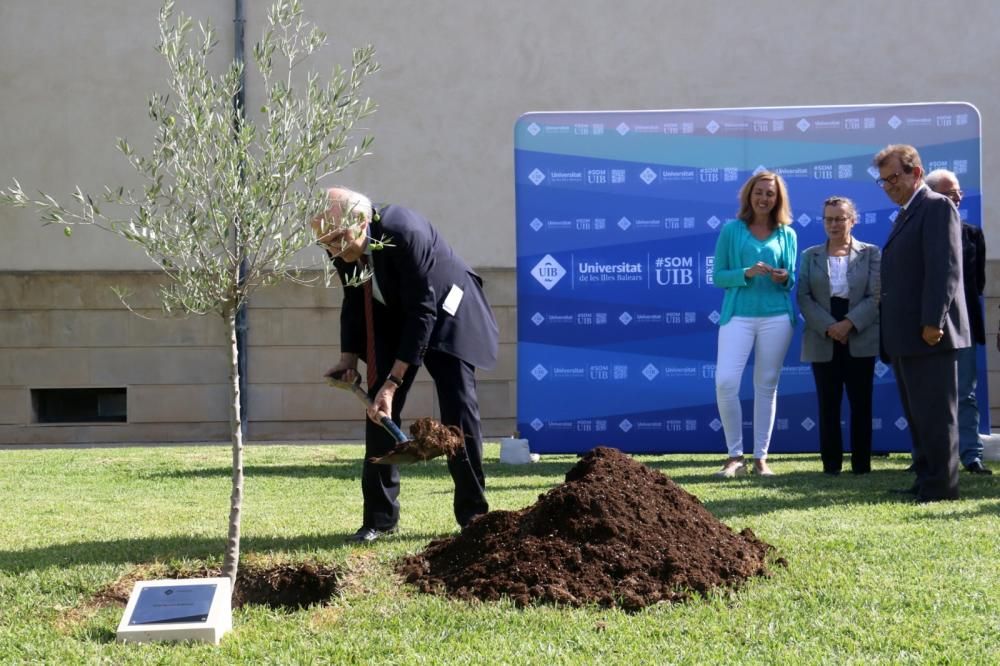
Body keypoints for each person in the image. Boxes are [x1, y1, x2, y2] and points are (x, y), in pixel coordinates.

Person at [312, 187, 500, 542]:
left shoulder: (403, 232)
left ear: (362, 222)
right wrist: (348, 357)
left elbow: (423, 312)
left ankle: (473, 517)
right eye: (326, 242)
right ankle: (378, 521)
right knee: (379, 415)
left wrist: (393, 382)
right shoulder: (340, 242)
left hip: (448, 311)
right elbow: (353, 296)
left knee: (458, 410)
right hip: (397, 314)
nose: (334, 249)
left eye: (338, 239)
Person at [875, 145, 970, 502]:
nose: (888, 186)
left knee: (936, 416)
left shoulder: (936, 205)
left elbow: (944, 267)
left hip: (930, 334)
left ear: (916, 173)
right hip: (904, 335)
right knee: (919, 416)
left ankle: (942, 487)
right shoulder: (906, 213)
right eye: (883, 181)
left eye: (894, 177)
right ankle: (926, 478)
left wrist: (934, 320)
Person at [712, 171, 797, 477]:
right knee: (725, 382)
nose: (764, 198)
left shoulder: (788, 234)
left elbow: (792, 279)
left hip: (777, 317)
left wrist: (785, 277)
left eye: (770, 194)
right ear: (749, 195)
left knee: (766, 386)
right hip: (738, 317)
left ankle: (761, 457)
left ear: (778, 199)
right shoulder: (731, 230)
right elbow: (718, 276)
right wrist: (745, 273)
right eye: (759, 192)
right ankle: (735, 455)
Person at [797, 196, 880, 475]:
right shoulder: (810, 255)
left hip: (860, 331)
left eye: (839, 218)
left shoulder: (871, 253)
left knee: (861, 403)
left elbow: (876, 295)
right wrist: (830, 326)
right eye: (828, 219)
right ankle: (831, 465)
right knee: (828, 403)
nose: (833, 224)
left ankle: (861, 465)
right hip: (823, 332)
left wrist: (849, 324)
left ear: (852, 220)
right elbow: (804, 296)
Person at [925, 169, 992, 475]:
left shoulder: (972, 233)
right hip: (927, 326)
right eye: (951, 193)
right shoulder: (919, 229)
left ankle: (971, 455)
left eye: (959, 192)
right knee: (928, 395)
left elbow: (976, 283)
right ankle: (926, 456)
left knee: (964, 393)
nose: (958, 198)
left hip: (963, 327)